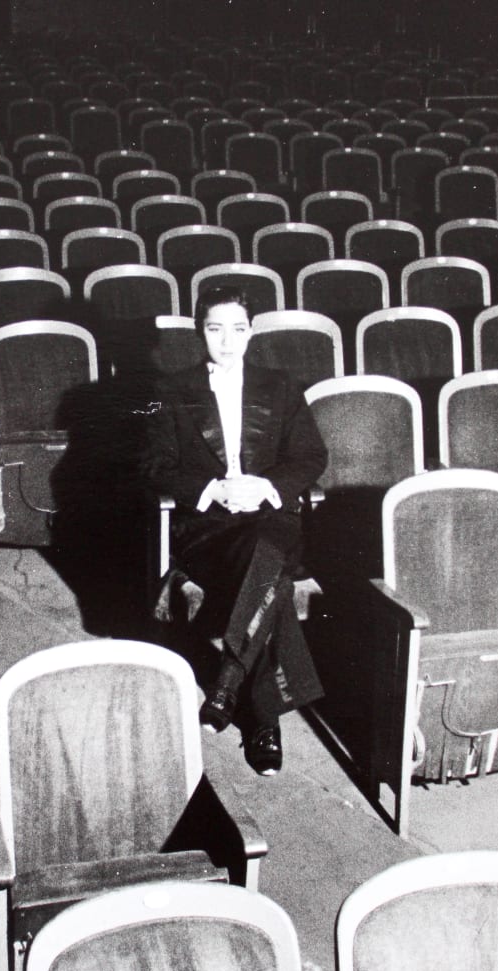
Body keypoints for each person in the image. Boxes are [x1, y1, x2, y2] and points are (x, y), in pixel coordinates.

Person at [143, 286, 327, 775]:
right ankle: (264, 717)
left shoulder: (281, 385)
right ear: (200, 331)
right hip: (209, 526)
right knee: (269, 573)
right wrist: (214, 490)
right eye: (215, 329)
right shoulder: (171, 390)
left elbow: (311, 456)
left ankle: (228, 681)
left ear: (252, 332)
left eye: (238, 329)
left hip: (268, 514)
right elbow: (153, 464)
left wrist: (265, 487)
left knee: (266, 545)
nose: (228, 341)